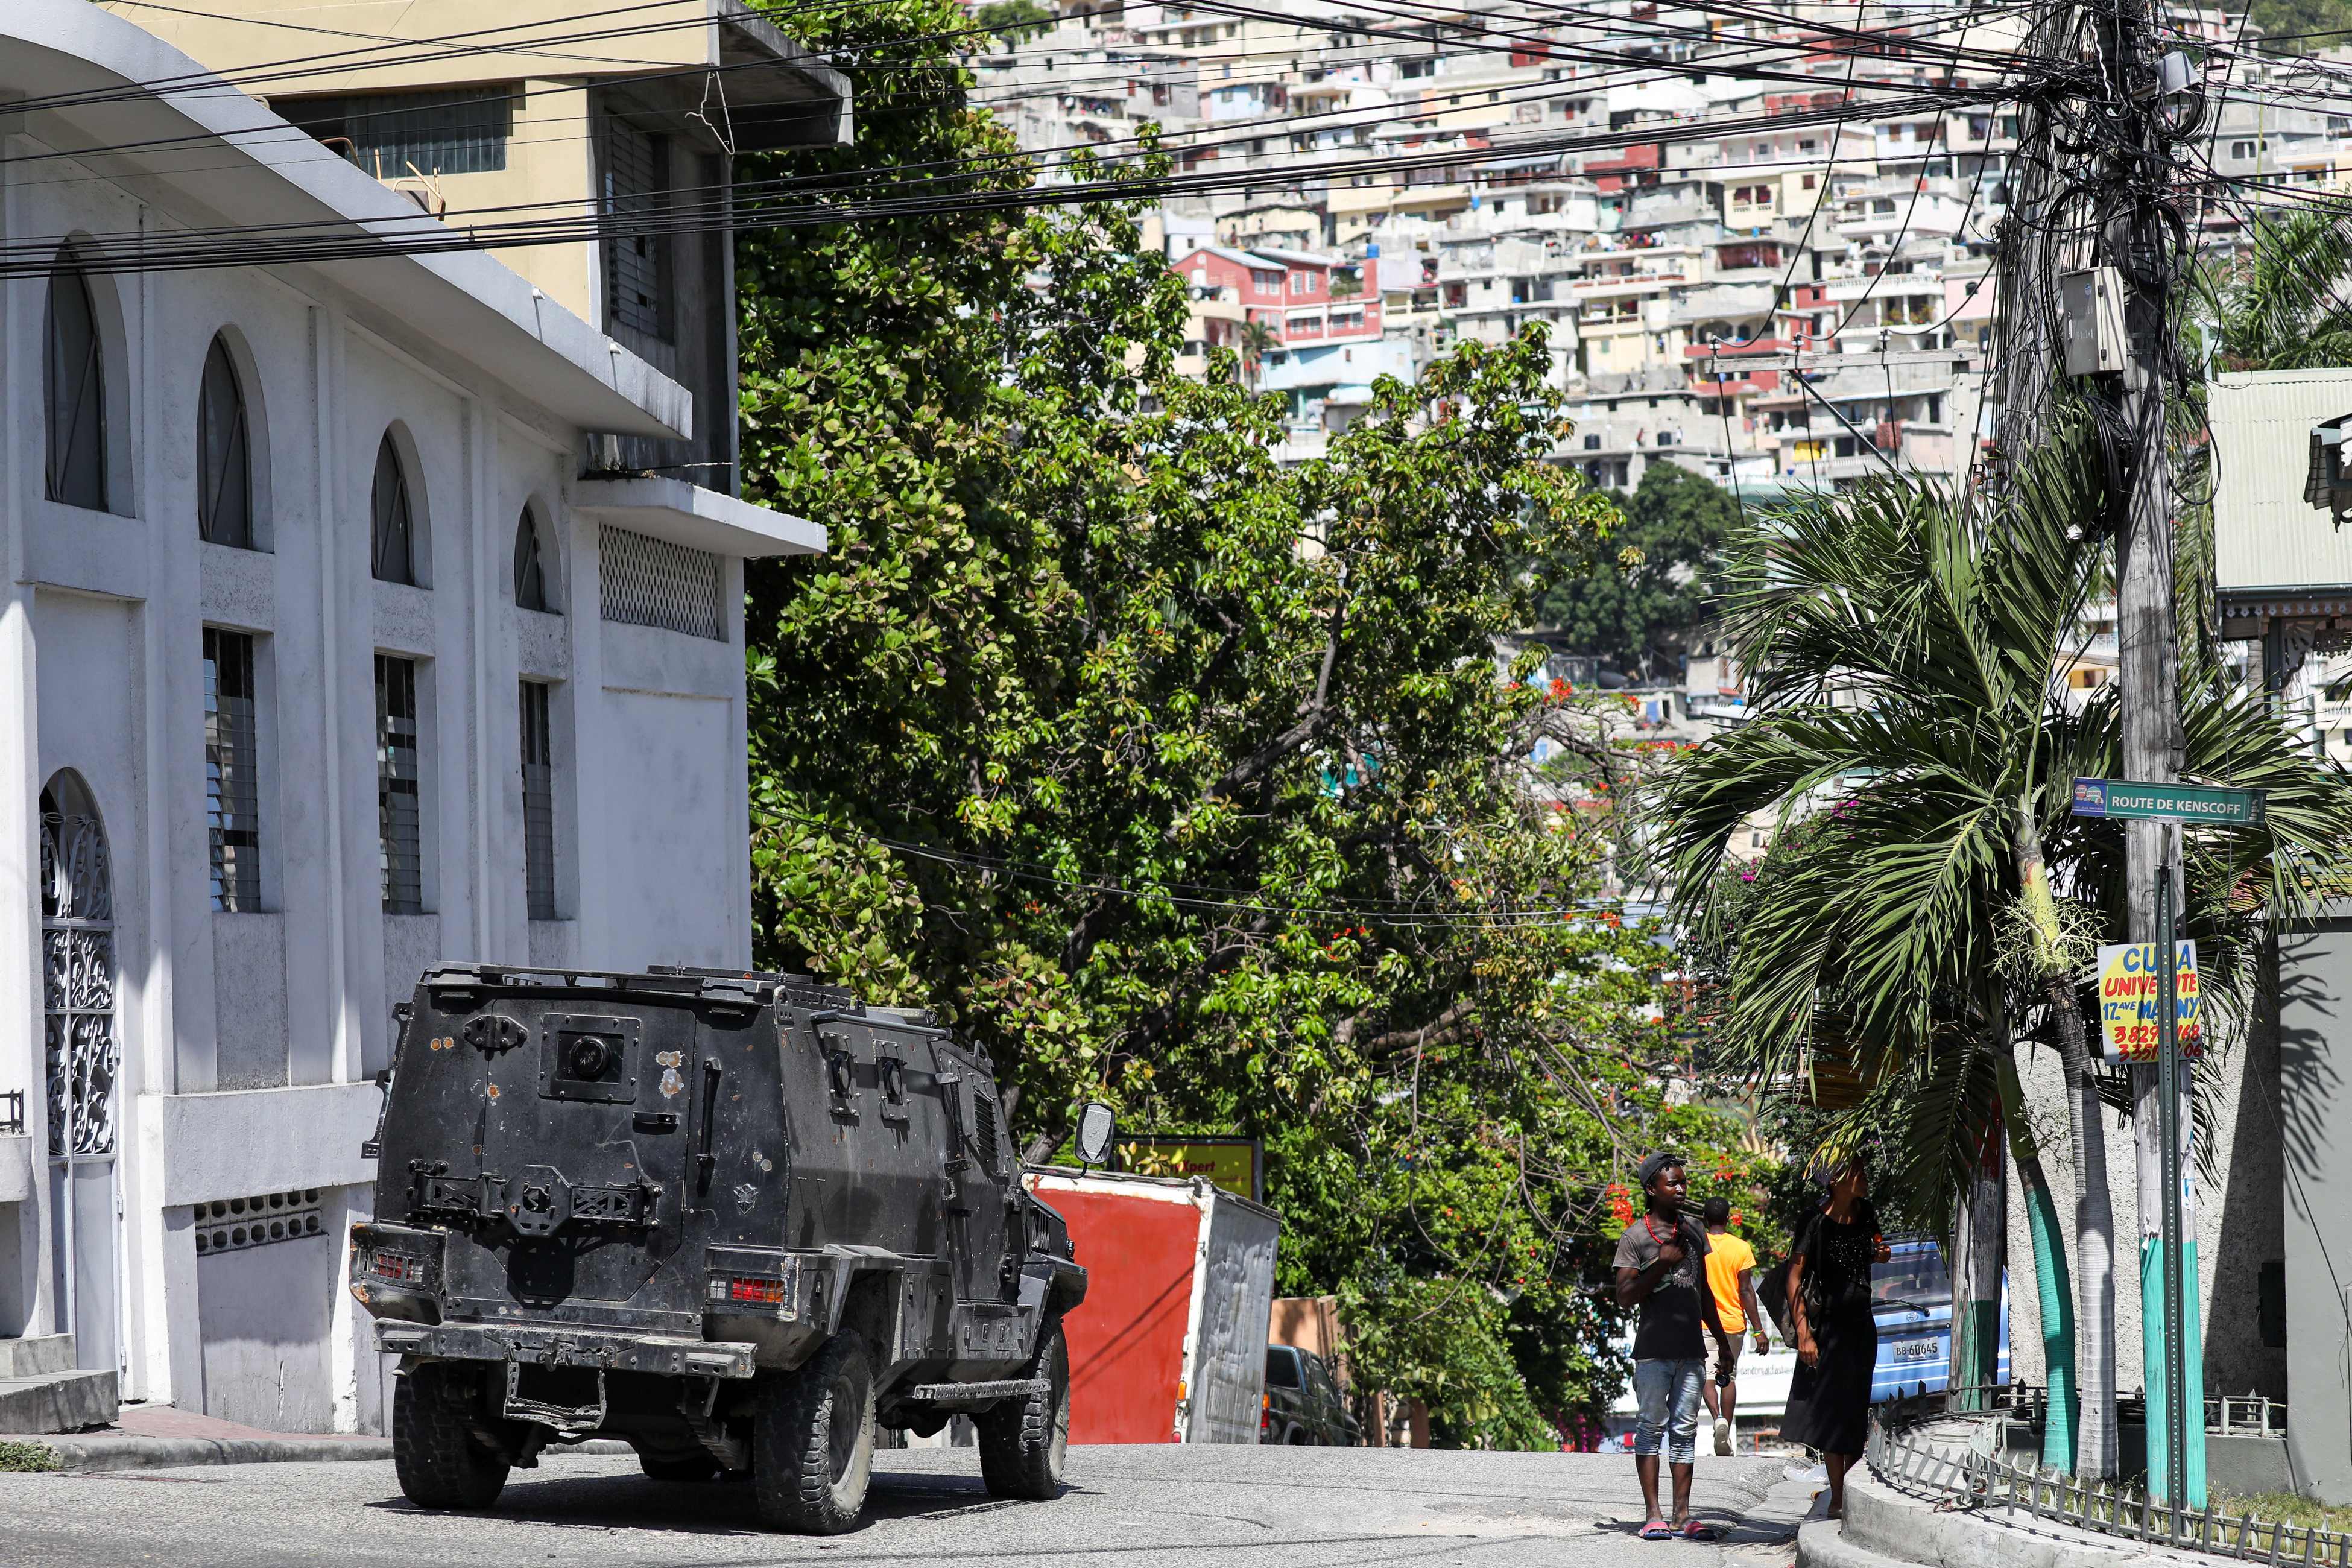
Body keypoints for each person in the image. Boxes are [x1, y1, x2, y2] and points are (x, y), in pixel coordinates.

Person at [1614, 1150, 1736, 1541]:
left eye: (1684, 1182)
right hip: (1652, 1352)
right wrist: (1663, 1264)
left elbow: (1704, 1295)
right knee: (1651, 1428)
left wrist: (1722, 1343)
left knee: (1685, 1431)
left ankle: (1683, 1517)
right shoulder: (1635, 1237)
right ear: (1652, 1189)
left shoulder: (1696, 1231)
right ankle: (1654, 1516)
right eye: (1674, 1183)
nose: (1682, 1189)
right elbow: (1625, 1297)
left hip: (1692, 1351)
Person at [1782, 1154, 1892, 1519]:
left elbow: (1881, 1249)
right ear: (1836, 1179)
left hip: (1862, 1326)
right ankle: (1838, 1496)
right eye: (1857, 1171)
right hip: (1828, 1328)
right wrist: (1804, 1334)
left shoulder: (1866, 1210)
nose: (1864, 1176)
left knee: (1856, 1410)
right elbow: (1794, 1278)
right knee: (1832, 1413)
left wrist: (1882, 1253)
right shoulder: (1814, 1221)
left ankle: (1849, 1490)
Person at [1698, 1196, 1770, 1456]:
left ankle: (1716, 1417)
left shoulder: (1698, 1245)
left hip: (1704, 1322)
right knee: (1728, 1376)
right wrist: (1759, 1329)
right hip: (1733, 1324)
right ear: (1728, 1218)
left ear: (1706, 1219)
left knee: (1706, 1375)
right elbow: (1746, 1291)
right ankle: (1726, 1430)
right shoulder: (1741, 1248)